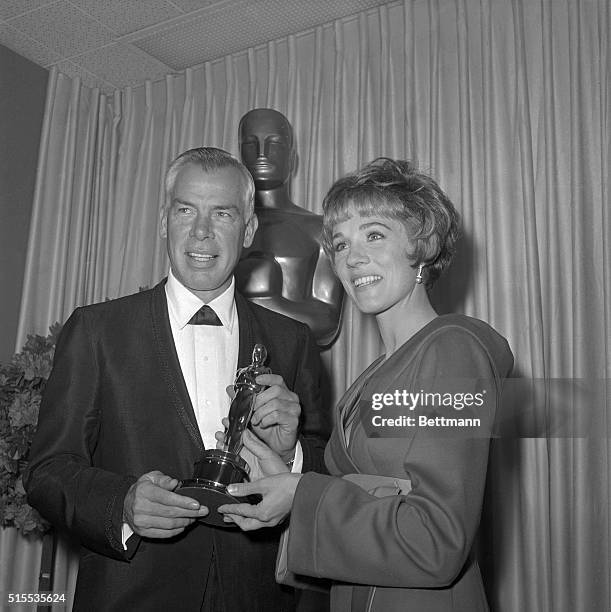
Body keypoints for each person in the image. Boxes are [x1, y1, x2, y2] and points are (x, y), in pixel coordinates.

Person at [25, 147, 327, 612]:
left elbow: (325, 468)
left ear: (248, 230)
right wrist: (122, 503)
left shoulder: (293, 341)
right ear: (165, 220)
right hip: (130, 593)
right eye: (186, 210)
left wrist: (291, 456)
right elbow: (48, 471)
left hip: (257, 596)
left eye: (222, 213)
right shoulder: (95, 330)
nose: (201, 231)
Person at [219, 158, 514, 611]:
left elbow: (436, 540)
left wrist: (303, 495)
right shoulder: (373, 377)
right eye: (339, 244)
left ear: (423, 244)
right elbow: (362, 507)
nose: (352, 257)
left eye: (374, 234)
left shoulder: (453, 350)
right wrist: (287, 474)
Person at [235, 108, 344, 348]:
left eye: (274, 144)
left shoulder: (319, 229)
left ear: (292, 158)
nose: (261, 154)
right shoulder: (226, 227)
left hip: (289, 370)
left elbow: (327, 322)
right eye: (251, 144)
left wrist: (268, 303)